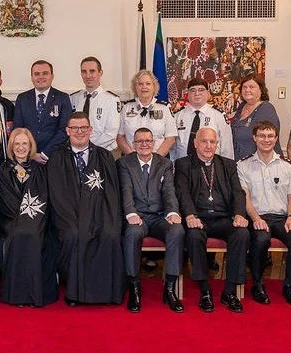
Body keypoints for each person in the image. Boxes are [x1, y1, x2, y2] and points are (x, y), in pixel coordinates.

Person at [47, 112, 123, 306]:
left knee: (109, 234)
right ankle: (74, 292)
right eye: (74, 128)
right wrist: (79, 218)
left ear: (90, 130)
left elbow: (112, 193)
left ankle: (106, 293)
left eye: (83, 128)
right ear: (67, 131)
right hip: (69, 216)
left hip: (100, 214)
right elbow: (57, 195)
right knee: (74, 234)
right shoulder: (56, 157)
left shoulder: (104, 156)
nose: (79, 132)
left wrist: (102, 218)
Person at [175, 126, 249, 313]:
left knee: (241, 234)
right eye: (204, 141)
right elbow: (182, 193)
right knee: (194, 236)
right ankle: (205, 290)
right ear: (195, 143)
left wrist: (239, 214)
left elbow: (238, 192)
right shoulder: (183, 164)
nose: (208, 146)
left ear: (217, 144)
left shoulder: (228, 164)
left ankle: (230, 291)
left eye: (212, 142)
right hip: (198, 218)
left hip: (223, 217)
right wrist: (190, 215)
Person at [117, 128, 184, 313]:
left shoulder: (165, 163)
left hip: (160, 216)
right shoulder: (124, 163)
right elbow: (125, 191)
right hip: (137, 217)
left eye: (148, 140)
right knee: (132, 233)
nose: (144, 144)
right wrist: (131, 214)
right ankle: (134, 287)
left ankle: (169, 288)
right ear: (133, 144)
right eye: (139, 141)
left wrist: (172, 212)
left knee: (177, 230)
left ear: (153, 143)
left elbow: (169, 191)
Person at [237, 121, 291, 306]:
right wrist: (255, 218)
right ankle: (257, 284)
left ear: (276, 139)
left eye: (270, 136)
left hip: (282, 218)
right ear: (254, 138)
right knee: (260, 240)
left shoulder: (287, 166)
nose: (266, 140)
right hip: (257, 216)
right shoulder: (243, 165)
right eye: (262, 136)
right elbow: (245, 198)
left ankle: (289, 285)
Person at [0, 127, 58, 307]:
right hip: (9, 221)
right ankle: (19, 295)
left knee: (35, 235)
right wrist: (21, 221)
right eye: (17, 144)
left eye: (25, 143)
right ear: (11, 146)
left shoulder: (41, 170)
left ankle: (37, 294)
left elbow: (44, 199)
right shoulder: (1, 171)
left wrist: (30, 221)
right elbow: (3, 201)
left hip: (37, 221)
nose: (21, 147)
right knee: (21, 233)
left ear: (31, 146)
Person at [13, 60, 73, 162]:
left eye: (45, 73)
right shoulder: (22, 98)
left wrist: (45, 153)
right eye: (37, 74)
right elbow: (18, 129)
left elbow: (65, 130)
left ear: (52, 76)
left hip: (55, 156)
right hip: (28, 156)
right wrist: (31, 153)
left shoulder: (62, 98)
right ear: (32, 77)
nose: (41, 77)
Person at [117, 70, 177, 156]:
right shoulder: (126, 107)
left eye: (148, 84)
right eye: (140, 84)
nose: (144, 87)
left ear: (154, 87)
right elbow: (120, 136)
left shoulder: (164, 108)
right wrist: (132, 158)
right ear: (135, 87)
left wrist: (155, 159)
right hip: (131, 158)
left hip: (159, 158)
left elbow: (170, 138)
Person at [172, 77, 233, 161]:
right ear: (187, 93)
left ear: (208, 93)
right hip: (182, 165)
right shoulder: (177, 116)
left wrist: (227, 167)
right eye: (193, 90)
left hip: (211, 165)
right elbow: (172, 148)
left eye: (201, 90)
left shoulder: (219, 116)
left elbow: (227, 147)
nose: (197, 93)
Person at [69, 56, 121, 152]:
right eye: (84, 72)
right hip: (78, 151)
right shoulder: (73, 98)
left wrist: (86, 147)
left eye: (92, 71)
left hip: (104, 151)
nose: (88, 76)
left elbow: (111, 133)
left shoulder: (111, 99)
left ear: (100, 73)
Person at [230, 74, 281, 159]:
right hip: (239, 161)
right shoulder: (242, 106)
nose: (247, 90)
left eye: (251, 87)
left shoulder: (266, 108)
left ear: (261, 90)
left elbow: (269, 140)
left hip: (259, 163)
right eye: (244, 87)